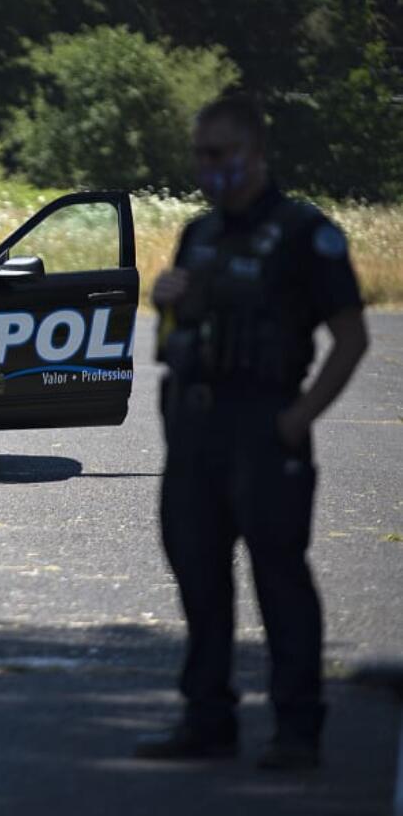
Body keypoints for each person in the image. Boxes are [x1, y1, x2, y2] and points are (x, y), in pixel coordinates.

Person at [136, 94, 369, 770]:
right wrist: (165, 305)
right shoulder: (198, 233)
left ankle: (297, 730)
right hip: (195, 431)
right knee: (200, 581)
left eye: (219, 154)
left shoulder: (306, 234)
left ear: (254, 153)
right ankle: (207, 719)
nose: (208, 168)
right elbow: (177, 338)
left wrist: (299, 419)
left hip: (265, 426)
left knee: (279, 581)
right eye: (199, 155)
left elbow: (350, 339)